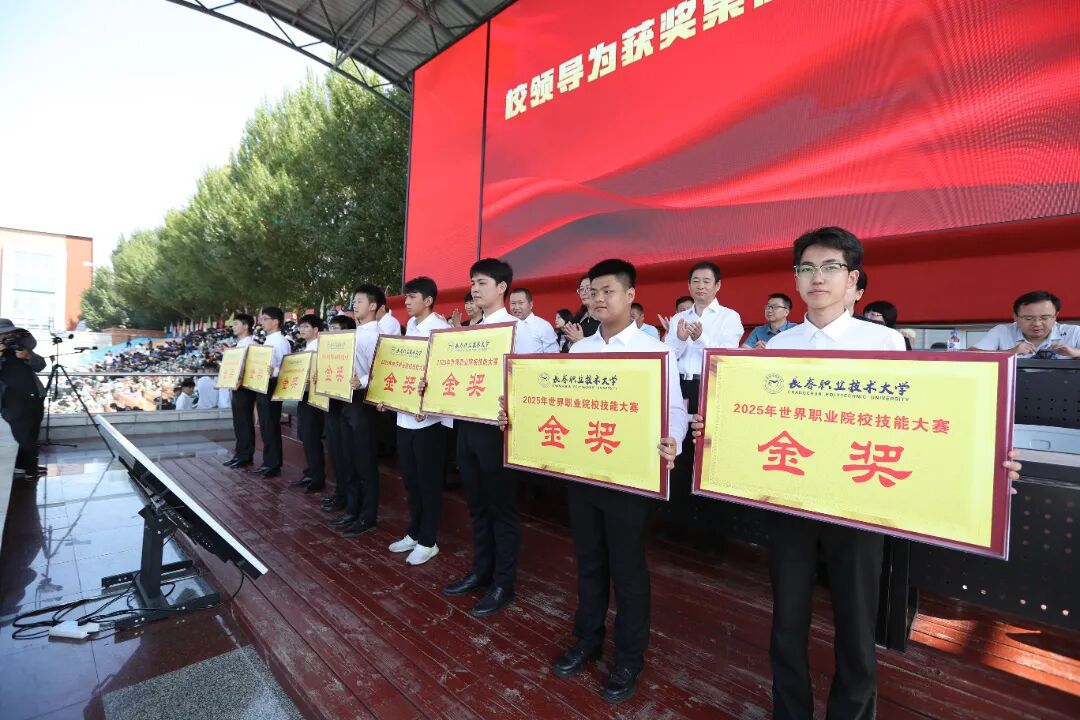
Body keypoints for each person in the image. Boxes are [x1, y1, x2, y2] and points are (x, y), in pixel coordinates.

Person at [547, 259, 687, 705]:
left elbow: (676, 410)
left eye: (609, 291)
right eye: (593, 292)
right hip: (584, 472)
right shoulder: (580, 351)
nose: (599, 299)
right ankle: (587, 640)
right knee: (589, 562)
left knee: (627, 570)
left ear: (630, 296)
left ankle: (628, 658)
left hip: (630, 478)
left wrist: (674, 439)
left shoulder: (656, 350)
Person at [440, 258, 545, 618]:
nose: (474, 289)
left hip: (498, 431)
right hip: (467, 426)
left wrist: (513, 405)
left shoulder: (518, 330)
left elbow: (530, 383)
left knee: (501, 509)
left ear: (502, 287)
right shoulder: (472, 329)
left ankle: (503, 582)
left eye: (482, 282)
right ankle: (481, 571)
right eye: (472, 282)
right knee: (476, 505)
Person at [385, 276, 452, 566]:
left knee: (428, 483)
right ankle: (414, 532)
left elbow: (446, 374)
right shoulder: (411, 326)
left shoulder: (441, 330)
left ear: (428, 300)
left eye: (413, 297)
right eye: (406, 297)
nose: (407, 302)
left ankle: (428, 540)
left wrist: (429, 403)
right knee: (411, 480)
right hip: (404, 417)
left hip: (429, 422)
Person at [333, 285, 385, 538]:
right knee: (350, 459)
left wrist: (361, 382)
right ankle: (352, 509)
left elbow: (382, 371)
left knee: (365, 463)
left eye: (360, 301)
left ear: (373, 306)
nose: (355, 305)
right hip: (346, 401)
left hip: (364, 403)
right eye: (354, 301)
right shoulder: (352, 334)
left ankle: (367, 516)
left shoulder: (377, 335)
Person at [969, 290, 1080, 358]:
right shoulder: (1002, 331)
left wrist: (1076, 352)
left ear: (1055, 316)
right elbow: (969, 354)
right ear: (1015, 317)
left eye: (1044, 318)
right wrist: (1010, 352)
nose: (1037, 324)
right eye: (1028, 318)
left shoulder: (1074, 332)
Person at [0, 320, 46, 479]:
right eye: (4, 334)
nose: (8, 336)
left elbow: (41, 365)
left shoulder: (20, 348)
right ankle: (31, 471)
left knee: (32, 433)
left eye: (10, 333)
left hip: (35, 397)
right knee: (24, 437)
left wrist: (28, 355)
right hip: (12, 402)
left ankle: (21, 467)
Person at [321, 314, 356, 516]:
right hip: (330, 404)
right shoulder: (328, 351)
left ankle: (346, 497)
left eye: (336, 329)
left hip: (344, 406)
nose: (331, 333)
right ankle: (340, 492)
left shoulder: (350, 350)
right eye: (330, 329)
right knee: (334, 452)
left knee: (344, 455)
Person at [290, 314, 327, 494]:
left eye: (306, 326)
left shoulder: (320, 348)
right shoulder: (307, 347)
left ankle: (317, 477)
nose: (302, 330)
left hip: (314, 398)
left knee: (312, 437)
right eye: (301, 326)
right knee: (305, 435)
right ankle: (310, 472)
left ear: (316, 329)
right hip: (303, 396)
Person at [252, 306, 291, 478]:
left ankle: (273, 464)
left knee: (271, 425)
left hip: (272, 386)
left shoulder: (280, 341)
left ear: (275, 321)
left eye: (265, 318)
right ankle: (267, 462)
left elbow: (285, 368)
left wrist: (273, 372)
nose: (262, 322)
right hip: (263, 385)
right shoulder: (268, 340)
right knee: (265, 426)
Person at [224, 313, 257, 469]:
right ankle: (239, 454)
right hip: (236, 386)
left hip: (245, 387)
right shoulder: (239, 344)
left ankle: (246, 456)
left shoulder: (251, 344)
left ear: (246, 326)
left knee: (244, 422)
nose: (233, 327)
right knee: (238, 422)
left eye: (236, 324)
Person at [509, 288, 559, 353]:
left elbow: (553, 355)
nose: (516, 307)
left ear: (531, 304)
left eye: (520, 303)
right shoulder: (506, 326)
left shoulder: (543, 326)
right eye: (513, 303)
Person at [563, 275, 600, 346]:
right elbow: (566, 348)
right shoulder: (577, 320)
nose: (584, 292)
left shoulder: (607, 319)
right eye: (581, 289)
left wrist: (581, 341)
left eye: (588, 288)